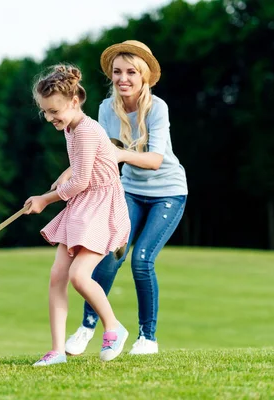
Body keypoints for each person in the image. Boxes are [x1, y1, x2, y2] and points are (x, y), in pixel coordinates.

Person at [63, 40, 188, 356]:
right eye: (117, 72)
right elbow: (96, 155)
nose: (123, 79)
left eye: (131, 72)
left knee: (142, 260)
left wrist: (116, 153)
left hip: (168, 193)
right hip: (129, 191)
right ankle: (89, 326)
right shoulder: (107, 108)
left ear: (143, 76)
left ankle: (148, 338)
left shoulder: (157, 108)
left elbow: (155, 159)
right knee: (109, 255)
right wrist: (70, 178)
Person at [24, 64, 131, 366]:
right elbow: (83, 174)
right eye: (45, 112)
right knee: (57, 276)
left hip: (101, 206)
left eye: (53, 111)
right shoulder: (70, 127)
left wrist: (45, 200)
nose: (49, 118)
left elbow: (82, 181)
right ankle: (57, 351)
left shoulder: (84, 130)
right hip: (83, 205)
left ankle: (114, 327)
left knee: (79, 276)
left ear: (73, 102)